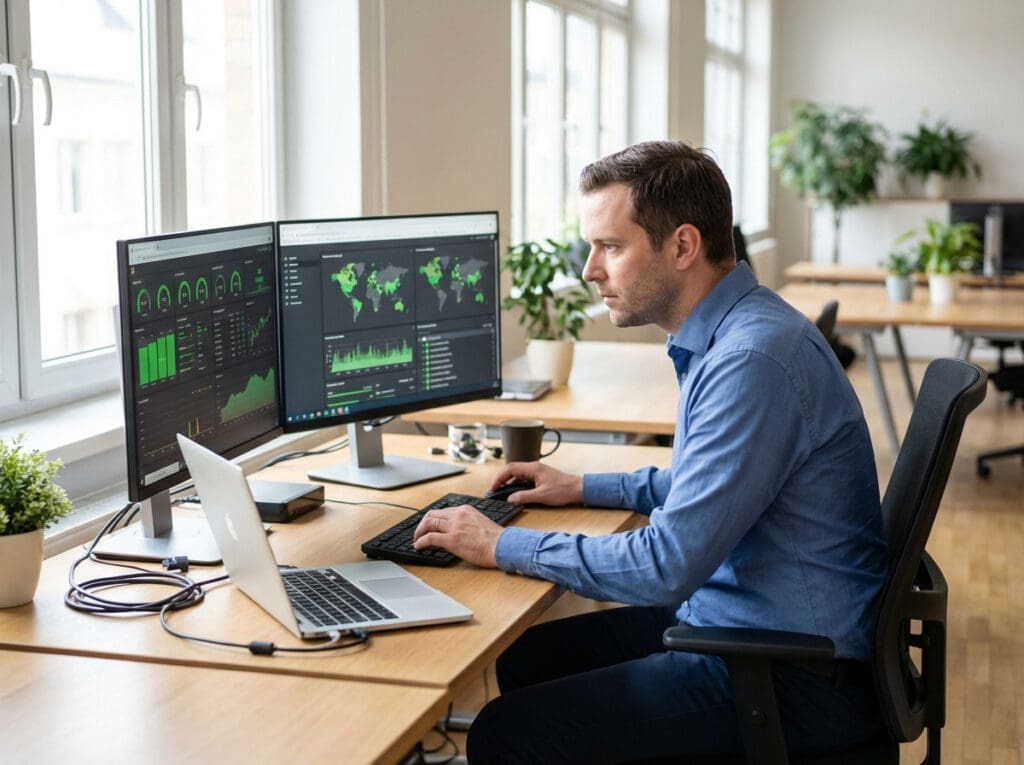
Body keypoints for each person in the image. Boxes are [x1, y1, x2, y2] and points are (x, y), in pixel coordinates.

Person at [413, 140, 888, 763]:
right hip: (750, 623)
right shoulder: (740, 328)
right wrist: (584, 487)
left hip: (788, 673)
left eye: (610, 246)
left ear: (683, 246)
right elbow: (709, 485)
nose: (590, 269)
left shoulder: (751, 360)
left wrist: (499, 544)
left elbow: (666, 565)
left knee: (507, 734)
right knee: (530, 658)